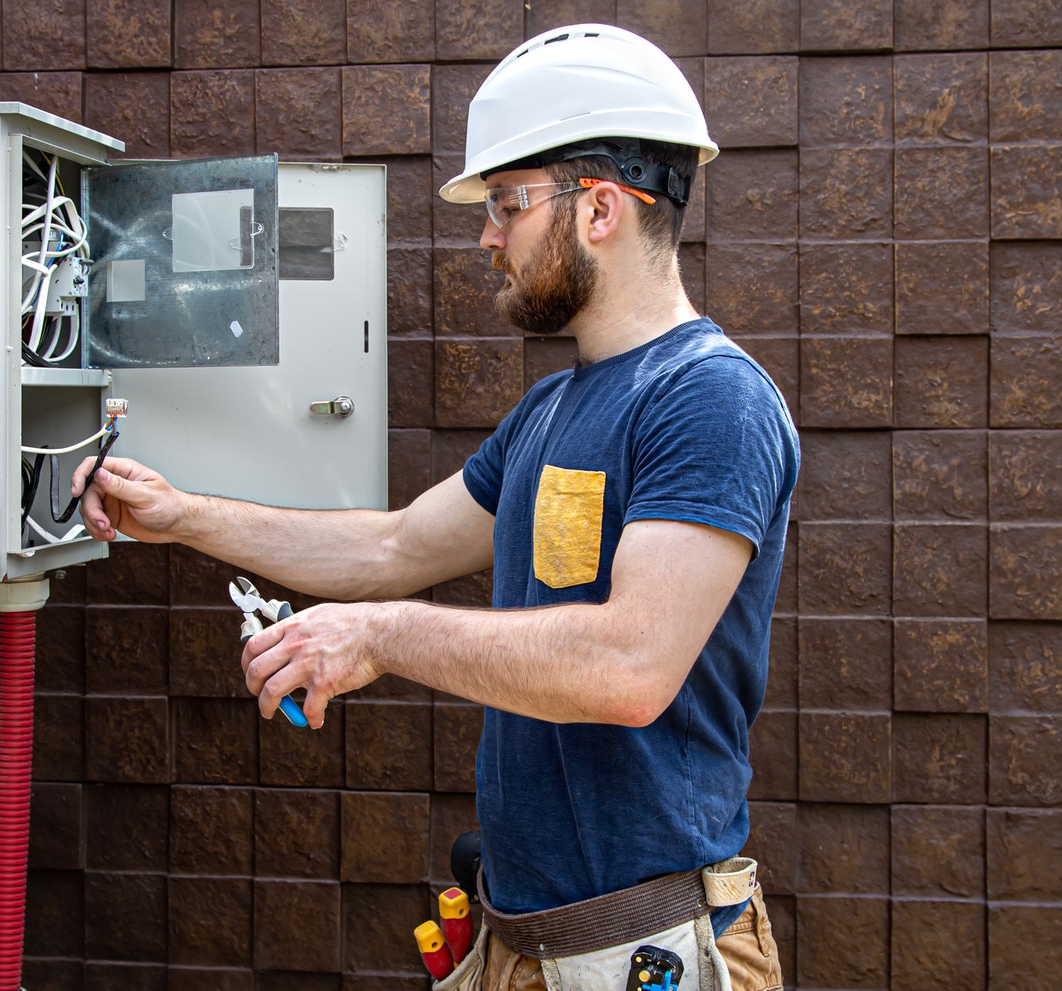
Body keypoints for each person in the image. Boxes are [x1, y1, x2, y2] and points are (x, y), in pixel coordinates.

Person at [75, 23, 798, 991]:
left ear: (600, 208)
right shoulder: (553, 407)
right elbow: (392, 546)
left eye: (505, 203)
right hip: (523, 937)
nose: (486, 236)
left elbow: (629, 666)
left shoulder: (707, 397)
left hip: (643, 951)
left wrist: (377, 638)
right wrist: (181, 516)